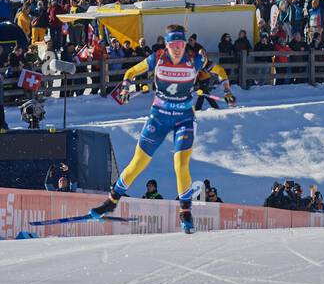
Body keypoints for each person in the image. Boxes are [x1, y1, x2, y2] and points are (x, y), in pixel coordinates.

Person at [89, 25, 235, 233]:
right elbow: (131, 71)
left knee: (180, 165)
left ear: (185, 44)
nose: (177, 49)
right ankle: (111, 201)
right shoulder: (157, 58)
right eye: (173, 45)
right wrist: (125, 86)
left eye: (180, 44)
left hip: (184, 118)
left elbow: (219, 70)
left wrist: (227, 89)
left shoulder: (195, 59)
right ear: (166, 45)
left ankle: (185, 212)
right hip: (158, 116)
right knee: (138, 162)